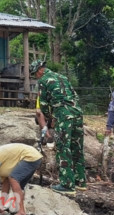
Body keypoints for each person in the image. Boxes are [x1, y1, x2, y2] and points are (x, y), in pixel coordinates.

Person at [33, 59, 86, 195]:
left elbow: (43, 105)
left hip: (63, 114)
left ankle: (67, 184)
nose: (35, 76)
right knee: (77, 146)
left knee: (63, 147)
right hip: (77, 113)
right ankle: (80, 180)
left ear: (39, 70)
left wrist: (50, 120)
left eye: (35, 73)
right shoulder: (62, 77)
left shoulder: (43, 81)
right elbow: (75, 96)